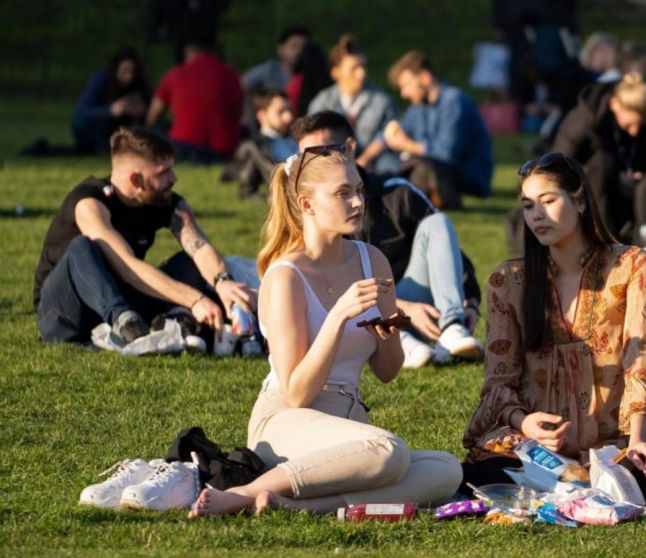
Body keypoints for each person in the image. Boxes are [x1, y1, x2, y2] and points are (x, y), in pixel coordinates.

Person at [188, 145, 462, 517]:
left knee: (447, 469)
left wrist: (390, 329)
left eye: (358, 190)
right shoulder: (286, 276)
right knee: (390, 452)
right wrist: (338, 317)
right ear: (306, 205)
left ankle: (299, 505)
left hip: (349, 425)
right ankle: (247, 491)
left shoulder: (372, 260)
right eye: (342, 193)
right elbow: (298, 393)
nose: (357, 202)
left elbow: (387, 372)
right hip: (286, 422)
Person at [462, 153, 646, 505]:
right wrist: (524, 421)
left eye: (548, 201)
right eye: (528, 206)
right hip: (532, 448)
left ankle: (591, 481)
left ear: (578, 201)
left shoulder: (631, 266)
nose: (537, 216)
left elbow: (638, 363)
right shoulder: (510, 280)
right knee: (476, 476)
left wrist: (639, 440)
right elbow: (499, 382)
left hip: (609, 447)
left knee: (644, 475)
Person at [292, 112, 483, 367]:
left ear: (350, 148)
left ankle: (451, 325)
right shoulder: (306, 207)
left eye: (324, 153)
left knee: (438, 222)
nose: (315, 165)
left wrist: (471, 300)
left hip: (410, 298)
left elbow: (444, 245)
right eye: (307, 157)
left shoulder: (395, 192)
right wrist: (399, 308)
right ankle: (401, 339)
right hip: (348, 313)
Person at [34, 128, 256, 345]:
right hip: (65, 314)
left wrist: (223, 282)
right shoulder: (90, 203)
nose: (173, 178)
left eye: (171, 169)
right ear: (136, 180)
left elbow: (200, 247)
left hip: (121, 296)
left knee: (189, 262)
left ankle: (177, 320)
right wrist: (195, 299)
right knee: (82, 247)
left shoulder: (164, 201)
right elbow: (127, 267)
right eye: (163, 173)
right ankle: (126, 322)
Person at [552, 72, 646, 243]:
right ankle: (601, 239)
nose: (635, 131)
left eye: (640, 124)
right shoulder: (584, 120)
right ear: (615, 104)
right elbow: (557, 165)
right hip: (587, 191)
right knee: (604, 165)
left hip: (632, 191)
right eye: (630, 125)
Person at [363, 51, 494, 210]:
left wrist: (405, 145)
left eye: (406, 85)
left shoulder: (453, 101)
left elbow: (446, 153)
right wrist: (363, 160)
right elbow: (388, 136)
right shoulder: (419, 107)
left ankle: (434, 196)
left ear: (425, 77)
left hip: (463, 175)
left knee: (423, 167)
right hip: (433, 167)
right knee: (385, 159)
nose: (404, 93)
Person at [307, 34, 399, 176]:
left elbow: (389, 134)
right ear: (336, 72)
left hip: (374, 166)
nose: (361, 74)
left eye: (362, 67)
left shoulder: (382, 100)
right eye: (354, 69)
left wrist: (365, 159)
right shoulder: (322, 102)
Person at [146, 37, 243, 163]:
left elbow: (152, 117)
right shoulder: (231, 74)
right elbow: (240, 113)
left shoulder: (175, 74)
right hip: (224, 150)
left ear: (188, 51)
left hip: (183, 146)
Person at [72, 46, 151, 153]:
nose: (130, 77)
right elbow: (82, 111)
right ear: (116, 69)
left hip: (125, 131)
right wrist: (111, 110)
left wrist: (142, 112)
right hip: (102, 129)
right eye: (125, 71)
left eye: (133, 72)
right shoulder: (101, 79)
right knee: (81, 124)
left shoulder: (140, 84)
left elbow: (152, 111)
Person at [228, 90, 298, 199]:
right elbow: (247, 190)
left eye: (289, 110)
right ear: (262, 115)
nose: (289, 117)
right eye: (280, 112)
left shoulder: (296, 138)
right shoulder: (254, 146)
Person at [242, 25, 310, 96]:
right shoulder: (269, 71)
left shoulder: (311, 75)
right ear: (280, 49)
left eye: (304, 47)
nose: (299, 51)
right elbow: (241, 85)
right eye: (294, 46)